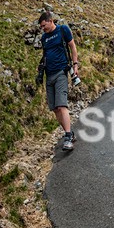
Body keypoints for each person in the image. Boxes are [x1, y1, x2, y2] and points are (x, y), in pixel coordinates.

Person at [38, 11, 79, 151]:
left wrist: (75, 64)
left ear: (50, 21)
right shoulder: (44, 38)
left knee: (62, 106)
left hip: (61, 72)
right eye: (41, 27)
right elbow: (46, 55)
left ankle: (68, 137)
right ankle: (70, 133)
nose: (43, 28)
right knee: (55, 109)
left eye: (44, 25)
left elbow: (72, 46)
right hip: (48, 76)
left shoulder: (63, 30)